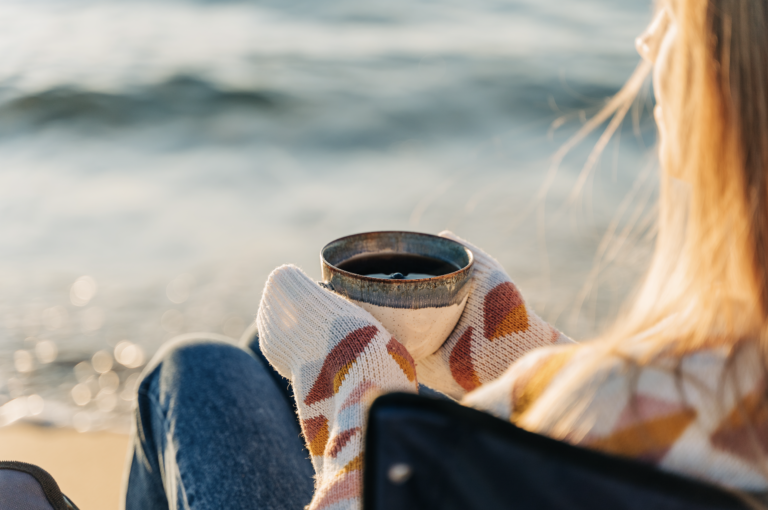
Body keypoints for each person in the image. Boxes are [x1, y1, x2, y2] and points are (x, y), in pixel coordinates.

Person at [124, 0, 768, 508]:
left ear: (733, 78)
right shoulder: (703, 393)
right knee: (257, 363)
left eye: (674, 16)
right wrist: (520, 354)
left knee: (197, 372)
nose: (647, 42)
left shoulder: (613, 408)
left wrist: (354, 394)